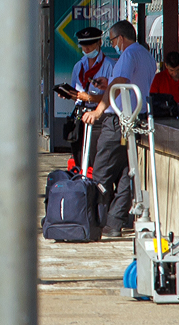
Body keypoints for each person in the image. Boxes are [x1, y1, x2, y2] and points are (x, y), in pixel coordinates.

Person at [81, 19, 157, 239]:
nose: (113, 44)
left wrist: (97, 110)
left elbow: (119, 84)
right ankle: (114, 223)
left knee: (101, 172)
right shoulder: (146, 55)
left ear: (120, 38)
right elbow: (127, 83)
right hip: (136, 121)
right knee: (126, 174)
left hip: (116, 122)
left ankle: (92, 220)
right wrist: (109, 83)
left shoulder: (128, 54)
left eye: (113, 40)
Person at [55, 25, 110, 168]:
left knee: (95, 159)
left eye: (90, 45)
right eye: (83, 45)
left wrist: (90, 98)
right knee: (79, 157)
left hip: (99, 117)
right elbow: (78, 93)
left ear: (99, 43)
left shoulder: (109, 65)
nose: (86, 49)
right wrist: (70, 95)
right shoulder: (79, 66)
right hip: (80, 116)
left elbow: (113, 96)